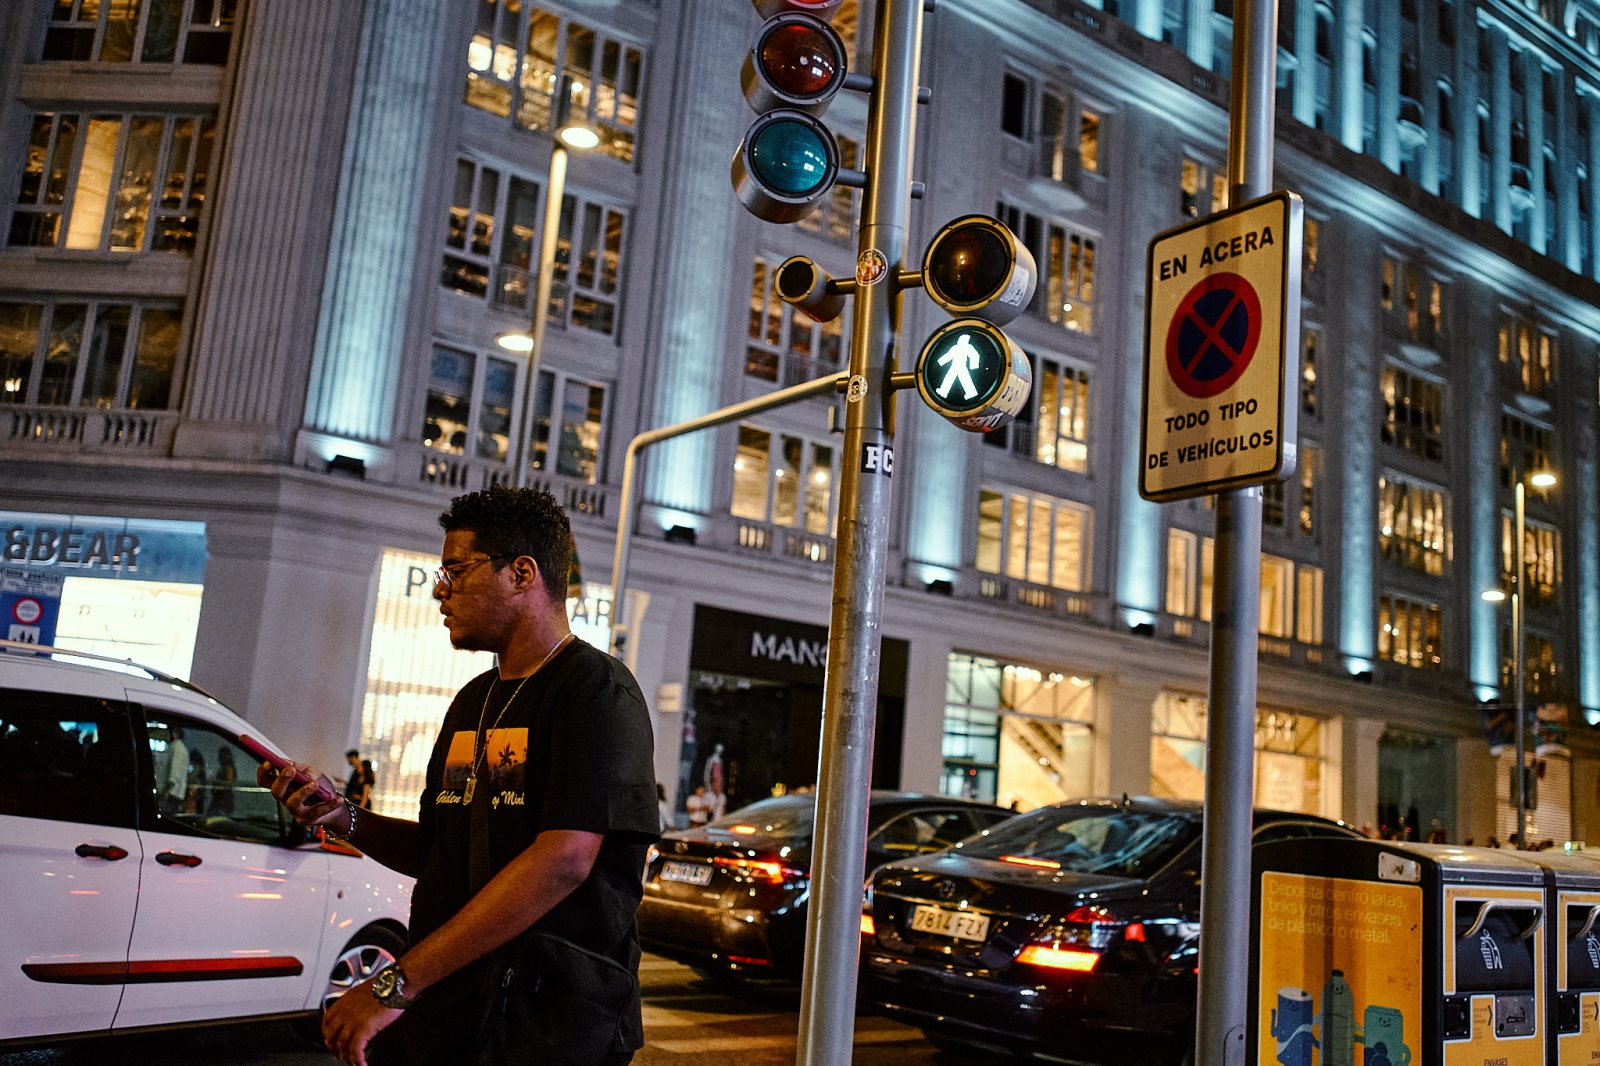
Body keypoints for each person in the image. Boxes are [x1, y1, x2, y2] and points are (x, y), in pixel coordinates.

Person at [257, 485, 658, 1066]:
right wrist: (342, 816)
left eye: (456, 571)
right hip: (451, 1016)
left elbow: (564, 860)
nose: (441, 592)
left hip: (545, 1026)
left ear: (522, 574)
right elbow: (438, 850)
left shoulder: (595, 691)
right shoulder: (474, 702)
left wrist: (397, 984)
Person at [162, 726, 189, 813]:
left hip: (172, 794)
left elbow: (174, 773)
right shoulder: (181, 748)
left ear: (174, 733)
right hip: (175, 794)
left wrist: (166, 792)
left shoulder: (177, 748)